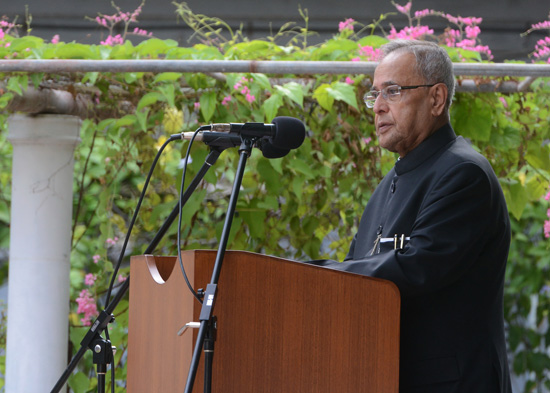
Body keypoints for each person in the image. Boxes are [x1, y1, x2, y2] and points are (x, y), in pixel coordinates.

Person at [311, 39, 512, 392]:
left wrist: (317, 273)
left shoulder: (463, 173)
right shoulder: (390, 182)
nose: (378, 108)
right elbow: (358, 270)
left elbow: (418, 266)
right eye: (375, 95)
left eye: (393, 91)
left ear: (436, 99)